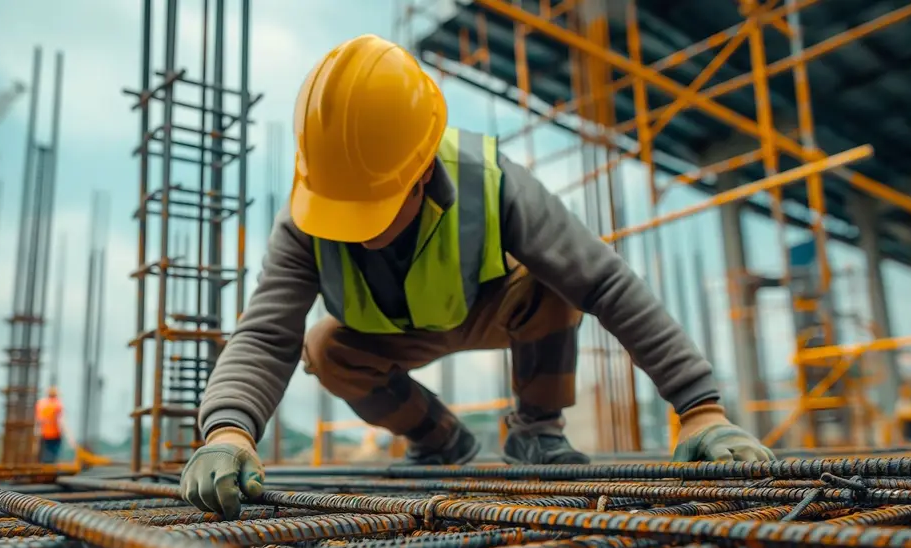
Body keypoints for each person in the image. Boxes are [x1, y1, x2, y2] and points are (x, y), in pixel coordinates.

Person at [179, 35, 776, 519]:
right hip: (390, 335)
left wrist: (699, 408)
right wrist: (229, 431)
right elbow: (266, 335)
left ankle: (537, 430)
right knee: (325, 346)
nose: (356, 230)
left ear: (422, 172)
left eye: (372, 207)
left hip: (492, 309)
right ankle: (439, 441)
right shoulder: (307, 216)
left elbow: (605, 283)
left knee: (556, 281)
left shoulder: (492, 183)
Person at [35, 386, 64, 463]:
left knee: (43, 455)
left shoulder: (40, 403)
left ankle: (44, 465)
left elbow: (38, 420)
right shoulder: (57, 404)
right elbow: (60, 420)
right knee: (52, 456)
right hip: (55, 434)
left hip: (44, 434)